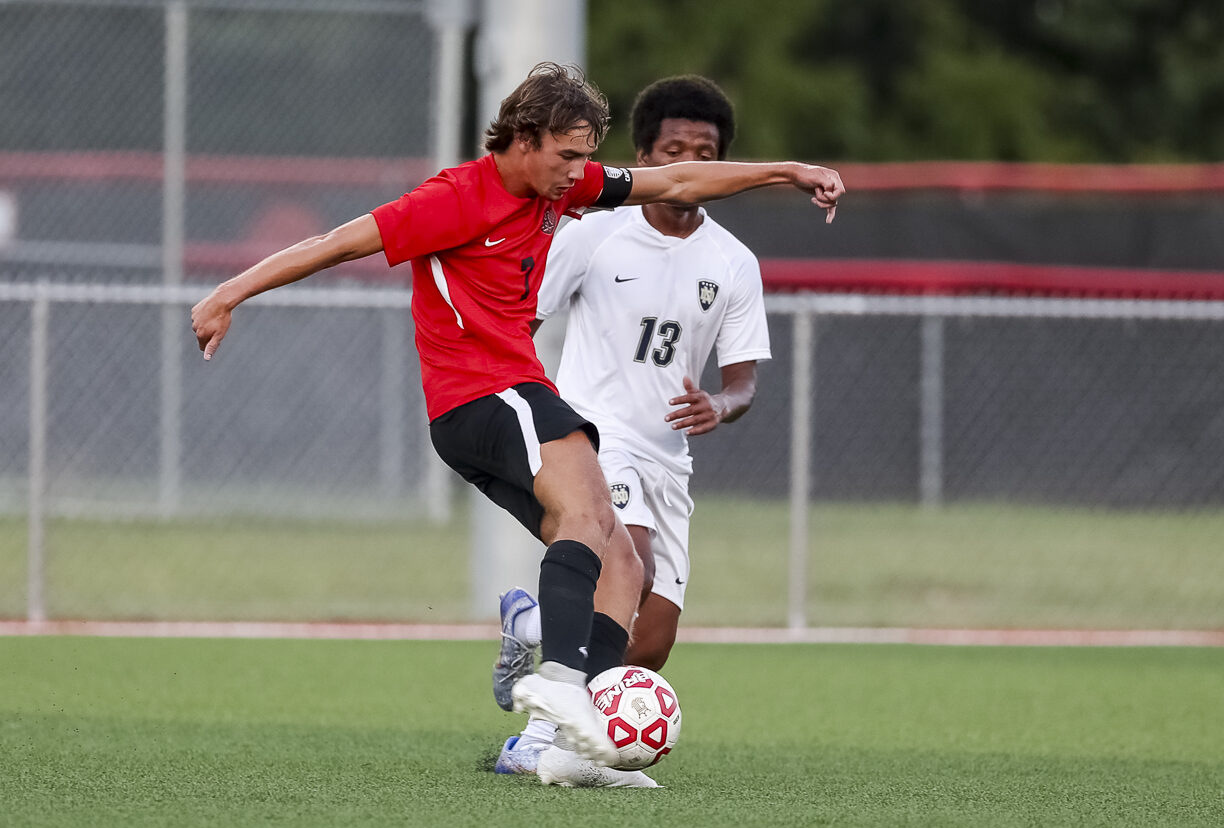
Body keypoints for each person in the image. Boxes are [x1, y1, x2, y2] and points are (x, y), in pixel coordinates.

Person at [190, 62, 843, 786]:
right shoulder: (454, 197)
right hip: (482, 393)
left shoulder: (569, 186)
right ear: (524, 139)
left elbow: (676, 184)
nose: (578, 172)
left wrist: (789, 169)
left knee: (621, 563)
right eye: (567, 154)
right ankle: (561, 682)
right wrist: (230, 292)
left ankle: (570, 750)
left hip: (513, 395)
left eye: (586, 155)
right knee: (592, 513)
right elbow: (341, 241)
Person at [492, 75, 774, 786]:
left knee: (647, 642)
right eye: (673, 148)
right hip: (595, 434)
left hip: (667, 459)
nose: (688, 160)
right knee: (628, 567)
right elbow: (523, 317)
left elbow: (742, 381)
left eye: (703, 151)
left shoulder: (734, 262)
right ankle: (536, 739)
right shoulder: (595, 232)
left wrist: (722, 402)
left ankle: (531, 627)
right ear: (645, 158)